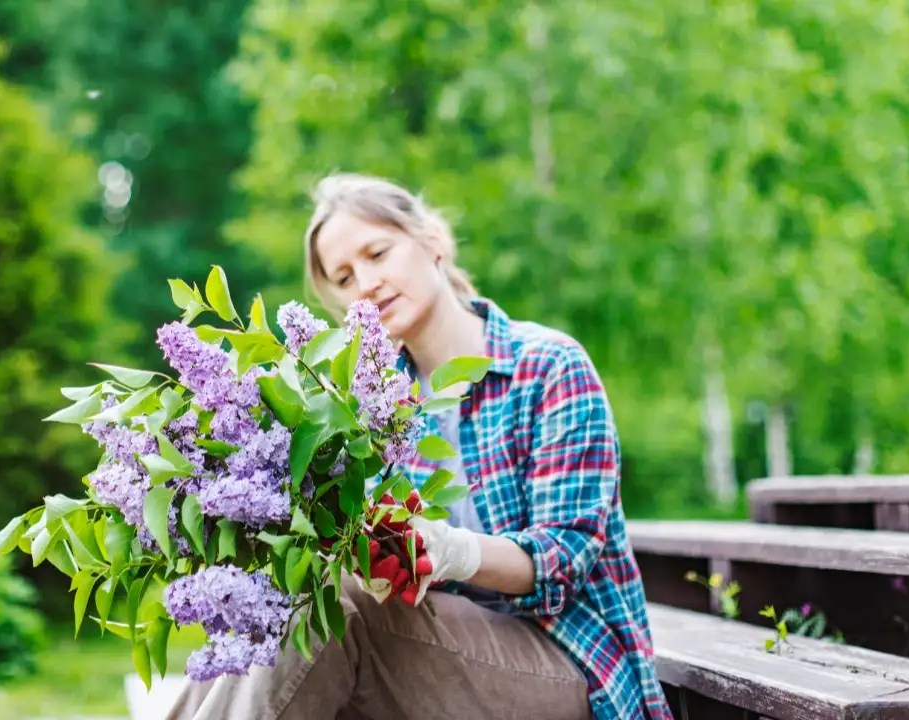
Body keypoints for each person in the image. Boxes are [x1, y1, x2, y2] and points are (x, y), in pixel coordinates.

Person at [166, 173, 672, 720]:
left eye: (377, 253)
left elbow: (565, 557)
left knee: (336, 612)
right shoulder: (371, 412)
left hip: (570, 663)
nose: (366, 282)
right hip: (437, 655)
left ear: (432, 240)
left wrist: (452, 551)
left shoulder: (548, 366)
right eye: (344, 276)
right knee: (287, 613)